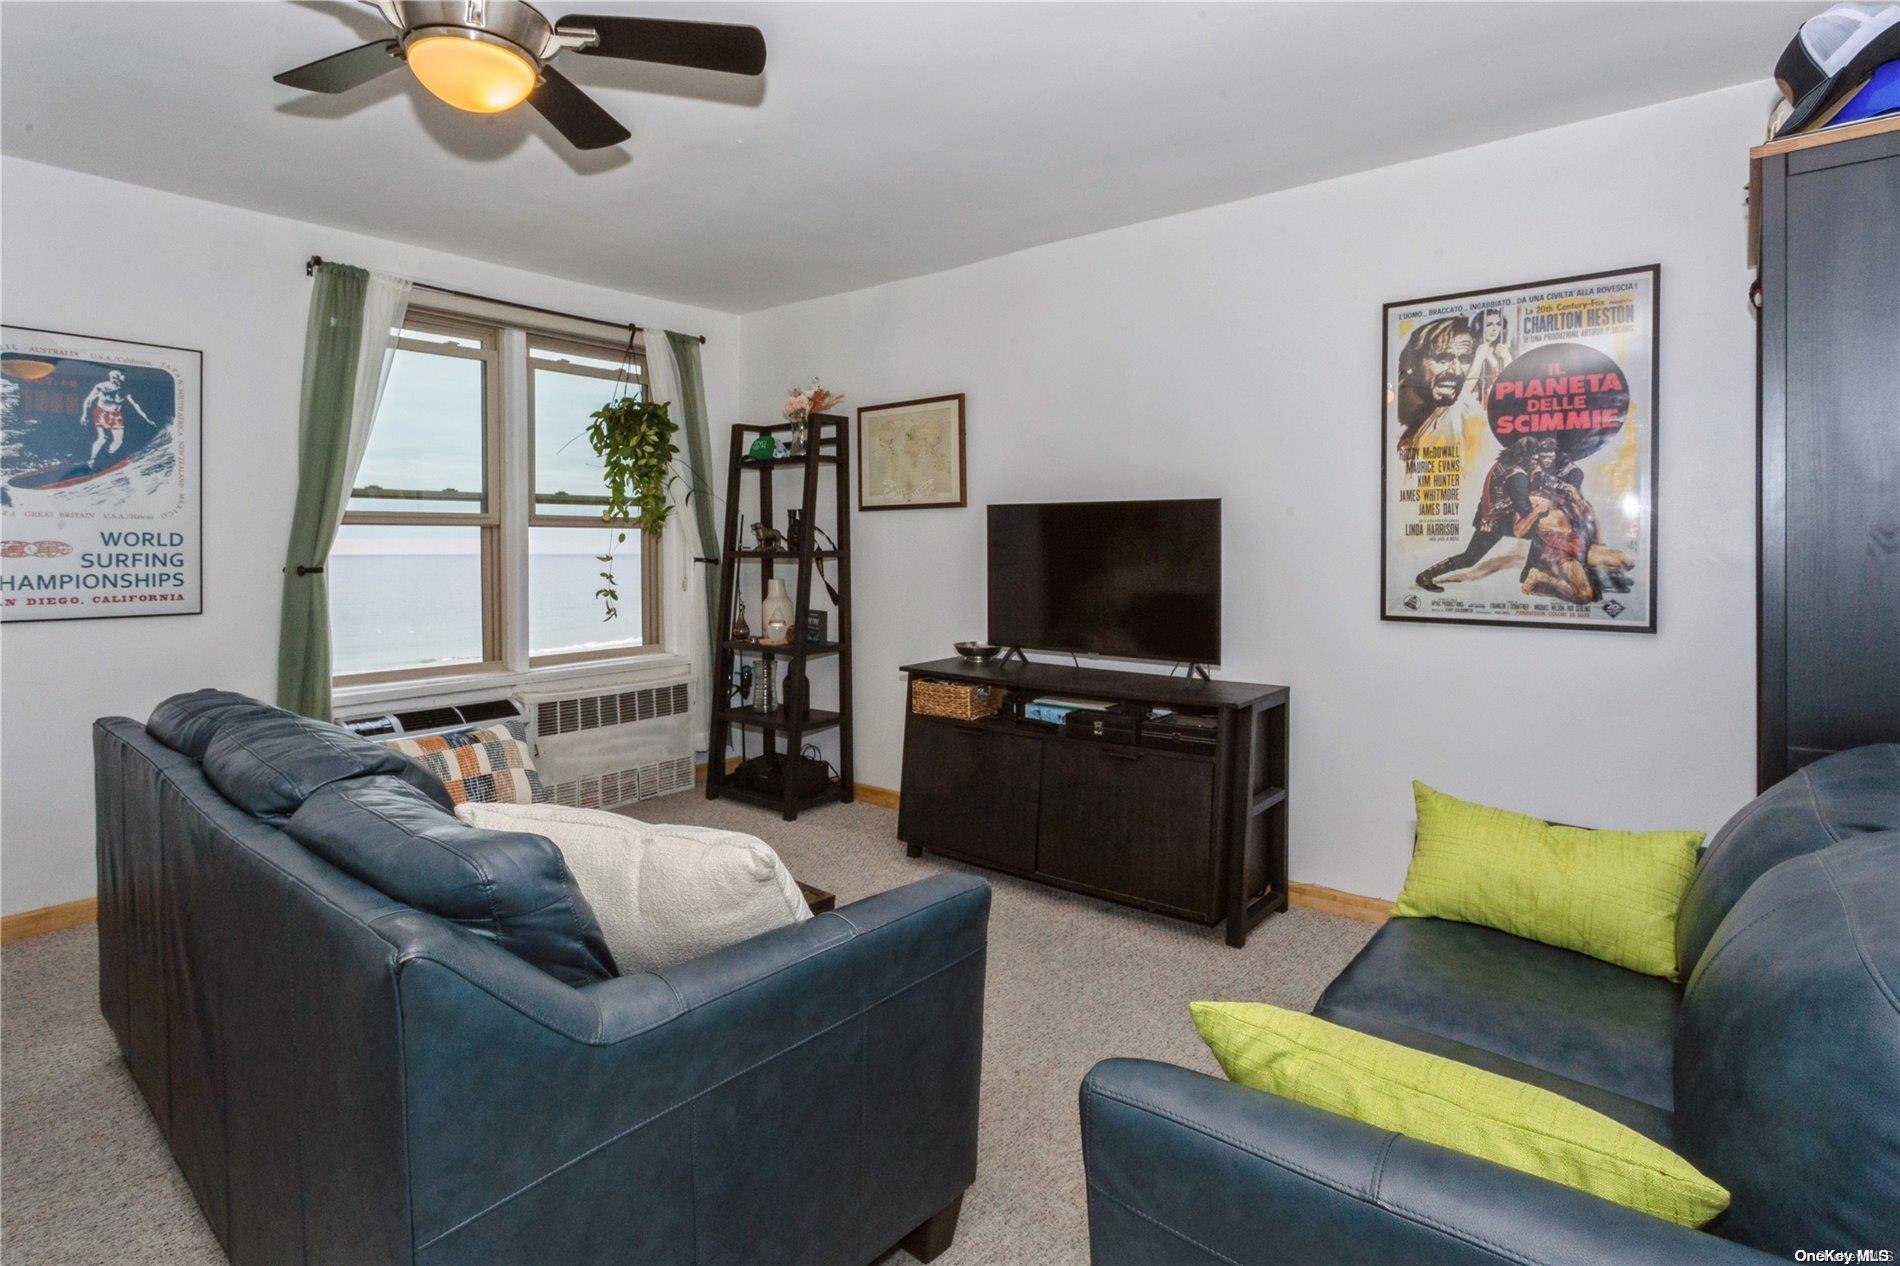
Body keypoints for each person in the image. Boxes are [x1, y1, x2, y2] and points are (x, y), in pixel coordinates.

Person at [1414, 436, 1538, 592]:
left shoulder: (1501, 464)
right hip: (1500, 521)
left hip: (1487, 518)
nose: (1535, 461)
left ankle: (1425, 575)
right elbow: (1524, 509)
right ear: (1524, 457)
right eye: (1533, 457)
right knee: (1543, 534)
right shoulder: (1518, 474)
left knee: (1469, 557)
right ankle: (1530, 576)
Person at [1393, 316, 1477, 457]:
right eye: (1443, 359)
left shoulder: (1467, 414)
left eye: (1465, 360)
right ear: (1415, 362)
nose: (1456, 371)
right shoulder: (1391, 407)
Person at [78, 369, 155, 467]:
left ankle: (108, 456)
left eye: (119, 377)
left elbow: (136, 405)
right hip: (101, 412)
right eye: (114, 378)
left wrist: (147, 419)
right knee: (103, 438)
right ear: (111, 378)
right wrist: (84, 414)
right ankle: (92, 460)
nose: (117, 380)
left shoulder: (124, 390)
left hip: (115, 416)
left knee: (118, 442)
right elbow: (88, 400)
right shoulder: (101, 386)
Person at [1466, 307, 1511, 407]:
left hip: (1500, 406)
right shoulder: (1468, 352)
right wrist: (1479, 359)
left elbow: (1516, 387)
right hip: (1476, 409)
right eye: (1489, 324)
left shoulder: (1502, 352)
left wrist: (1508, 358)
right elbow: (1464, 392)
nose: (1495, 329)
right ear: (1479, 327)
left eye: (1498, 324)